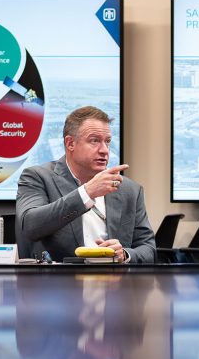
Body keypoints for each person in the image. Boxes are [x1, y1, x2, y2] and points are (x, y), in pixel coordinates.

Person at [16, 106, 155, 263]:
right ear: (70, 143)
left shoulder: (129, 190)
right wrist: (86, 193)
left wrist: (124, 254)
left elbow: (148, 249)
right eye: (94, 141)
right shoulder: (37, 177)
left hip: (113, 277)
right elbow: (30, 226)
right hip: (59, 277)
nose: (104, 150)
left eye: (107, 141)